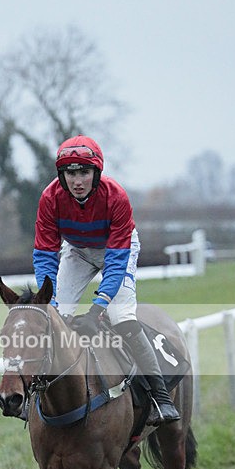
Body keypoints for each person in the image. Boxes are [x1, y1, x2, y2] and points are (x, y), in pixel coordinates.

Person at [33, 134, 179, 425]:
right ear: (62, 175)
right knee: (55, 318)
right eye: (70, 173)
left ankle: (160, 397)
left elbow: (114, 264)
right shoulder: (50, 198)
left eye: (84, 172)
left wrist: (96, 310)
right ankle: (42, 393)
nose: (77, 180)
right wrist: (45, 300)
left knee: (121, 316)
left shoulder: (117, 197)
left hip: (117, 249)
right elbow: (45, 255)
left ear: (96, 172)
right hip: (75, 250)